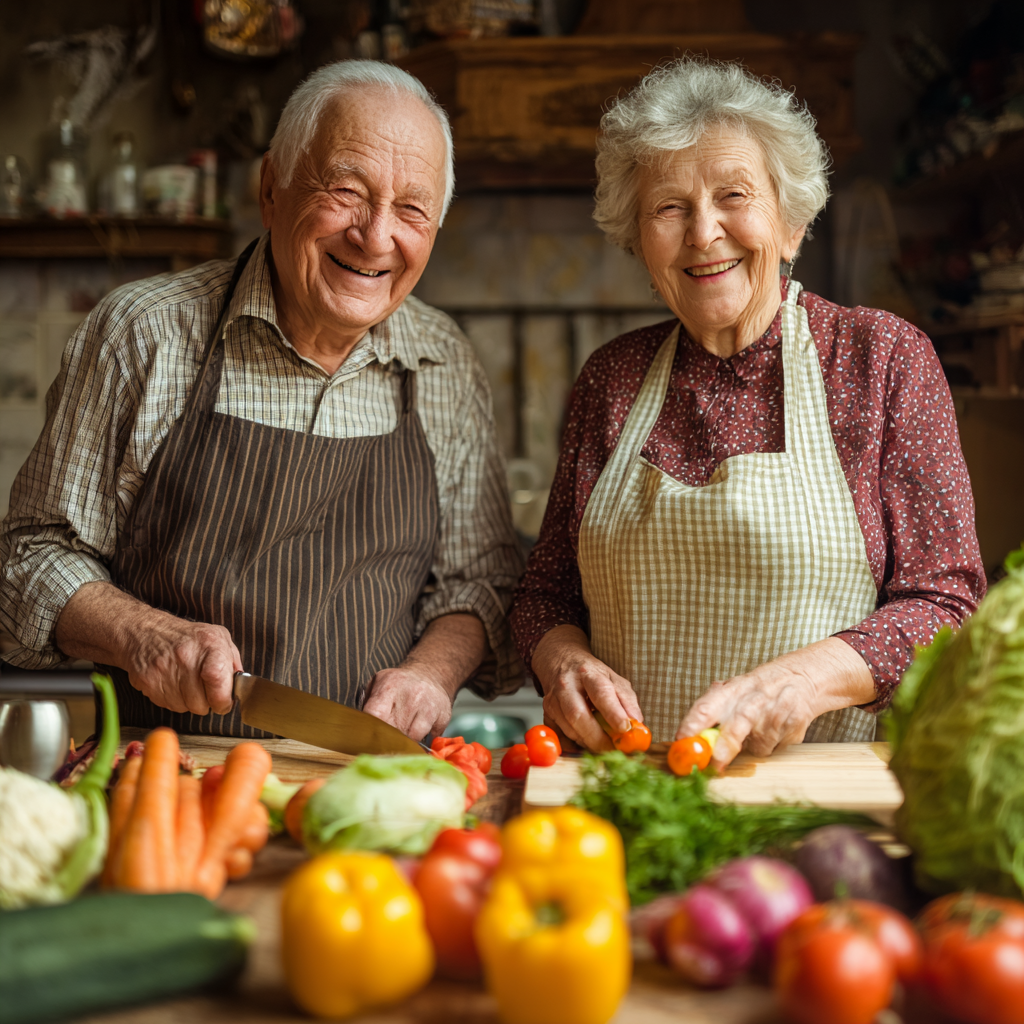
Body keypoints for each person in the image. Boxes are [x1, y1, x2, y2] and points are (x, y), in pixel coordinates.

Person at [0, 60, 523, 741]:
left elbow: (479, 582)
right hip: (166, 773)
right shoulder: (145, 333)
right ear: (271, 189)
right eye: (345, 190)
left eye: (411, 209)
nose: (374, 235)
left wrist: (432, 671)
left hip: (362, 781)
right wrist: (142, 635)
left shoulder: (443, 360)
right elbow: (29, 558)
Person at [509, 58, 986, 768]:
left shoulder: (880, 359)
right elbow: (543, 598)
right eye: (670, 208)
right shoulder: (611, 378)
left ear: (790, 224)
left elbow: (945, 607)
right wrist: (564, 663)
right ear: (642, 244)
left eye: (733, 195)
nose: (704, 233)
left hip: (815, 801)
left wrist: (805, 679)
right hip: (631, 791)